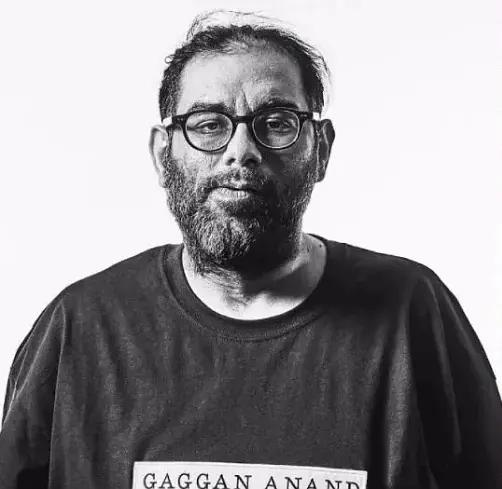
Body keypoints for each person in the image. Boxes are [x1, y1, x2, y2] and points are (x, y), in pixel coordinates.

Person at [0, 11, 501, 489]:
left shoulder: (413, 312)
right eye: (208, 124)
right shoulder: (80, 328)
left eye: (276, 122)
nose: (241, 150)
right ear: (162, 152)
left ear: (321, 149)